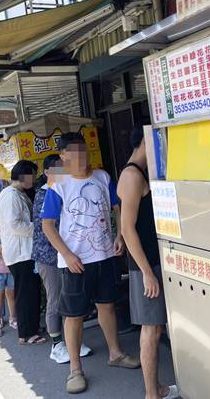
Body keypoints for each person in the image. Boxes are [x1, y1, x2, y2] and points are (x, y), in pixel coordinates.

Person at [41, 132, 139, 394]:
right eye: (73, 153)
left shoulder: (103, 177)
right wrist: (68, 255)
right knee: (74, 315)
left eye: (83, 151)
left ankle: (115, 353)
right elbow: (47, 225)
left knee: (107, 305)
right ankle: (75, 369)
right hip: (75, 262)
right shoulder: (58, 184)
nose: (81, 158)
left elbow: (116, 206)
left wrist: (119, 234)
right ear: (63, 157)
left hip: (105, 255)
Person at [119, 127, 179, 399]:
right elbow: (127, 229)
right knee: (152, 328)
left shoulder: (142, 173)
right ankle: (152, 393)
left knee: (157, 326)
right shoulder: (132, 175)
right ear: (145, 141)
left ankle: (157, 390)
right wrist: (146, 272)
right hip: (146, 264)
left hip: (154, 261)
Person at [33, 153, 92, 364]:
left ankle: (71, 342)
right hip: (49, 257)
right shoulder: (44, 194)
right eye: (58, 169)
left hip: (65, 255)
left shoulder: (65, 189)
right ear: (48, 172)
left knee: (69, 301)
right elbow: (48, 228)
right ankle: (57, 344)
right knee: (55, 299)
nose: (64, 172)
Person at [0, 160, 45, 345]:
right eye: (33, 174)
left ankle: (31, 327)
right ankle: (26, 333)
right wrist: (38, 228)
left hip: (22, 251)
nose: (35, 178)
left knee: (30, 291)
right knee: (26, 293)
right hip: (19, 253)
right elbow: (14, 224)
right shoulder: (11, 196)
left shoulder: (14, 194)